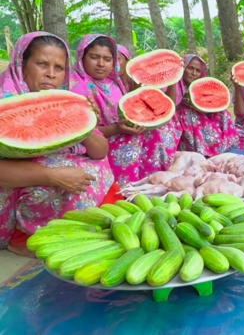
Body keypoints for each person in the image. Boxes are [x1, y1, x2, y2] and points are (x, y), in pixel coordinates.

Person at [0, 32, 114, 257]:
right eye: (42, 64)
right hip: (12, 191)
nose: (50, 75)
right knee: (51, 174)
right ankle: (22, 238)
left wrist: (83, 121)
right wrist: (53, 175)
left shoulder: (67, 98)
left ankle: (71, 229)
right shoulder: (4, 102)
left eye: (58, 68)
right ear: (22, 64)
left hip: (56, 180)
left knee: (97, 166)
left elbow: (101, 152)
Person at [70, 34, 181, 187]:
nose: (101, 64)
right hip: (95, 143)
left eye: (107, 59)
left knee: (159, 130)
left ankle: (154, 180)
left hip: (121, 132)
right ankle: (126, 187)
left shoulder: (113, 82)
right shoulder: (74, 85)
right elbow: (84, 132)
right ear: (82, 57)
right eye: (94, 57)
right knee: (134, 140)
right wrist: (116, 129)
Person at [174, 54, 238, 156]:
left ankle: (223, 146)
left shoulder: (203, 86)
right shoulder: (174, 86)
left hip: (203, 120)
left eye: (198, 70)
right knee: (187, 112)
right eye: (190, 68)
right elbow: (169, 111)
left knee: (223, 112)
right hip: (181, 123)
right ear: (183, 68)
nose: (194, 73)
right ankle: (202, 151)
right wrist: (181, 103)